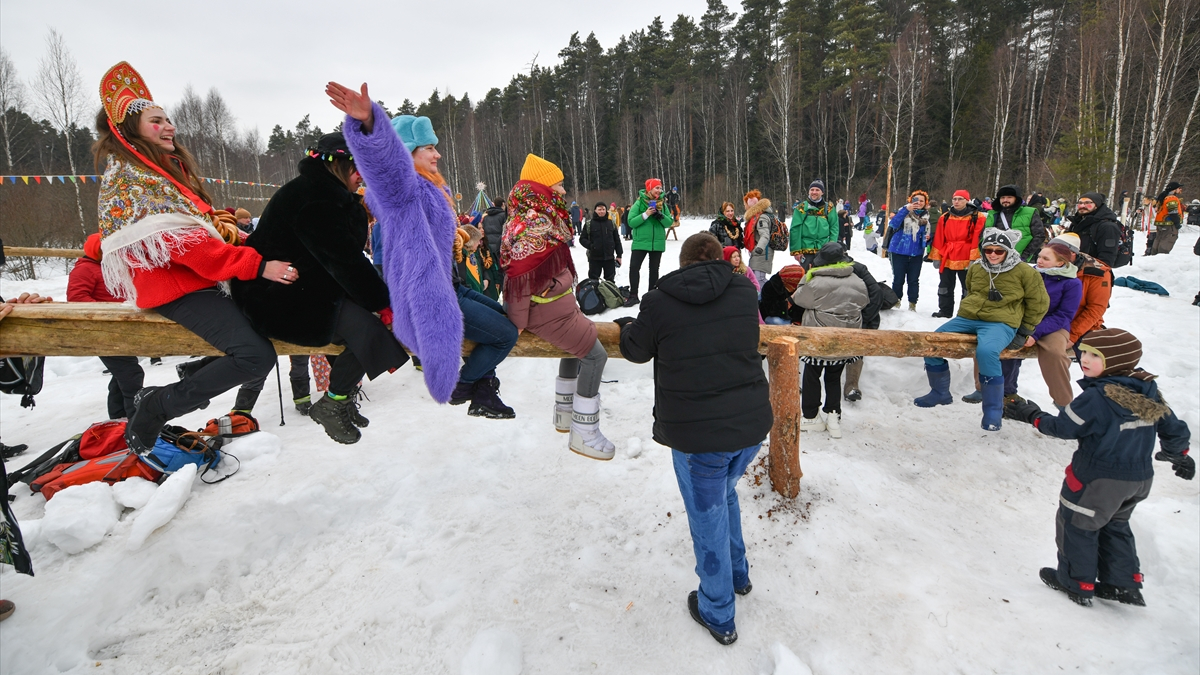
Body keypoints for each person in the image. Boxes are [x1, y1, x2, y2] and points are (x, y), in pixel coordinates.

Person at [92, 62, 286, 454]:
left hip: (196, 281)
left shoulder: (156, 173)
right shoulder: (133, 179)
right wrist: (255, 265)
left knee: (266, 325)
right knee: (255, 356)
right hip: (177, 287)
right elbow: (188, 244)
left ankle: (196, 372)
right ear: (130, 130)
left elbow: (196, 233)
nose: (170, 127)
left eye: (168, 120)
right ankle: (157, 404)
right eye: (157, 120)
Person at [617, 232, 773, 646]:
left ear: (683, 263)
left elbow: (636, 349)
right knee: (725, 496)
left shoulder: (658, 301)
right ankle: (738, 575)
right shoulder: (743, 289)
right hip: (750, 426)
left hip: (699, 434)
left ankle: (717, 611)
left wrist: (628, 326)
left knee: (707, 518)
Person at [329, 81, 518, 420]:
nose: (437, 154)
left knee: (501, 317)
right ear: (408, 154)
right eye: (429, 148)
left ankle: (483, 392)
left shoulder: (430, 189)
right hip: (433, 295)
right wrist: (371, 125)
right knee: (505, 335)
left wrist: (456, 234)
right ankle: (467, 385)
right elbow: (385, 166)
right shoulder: (403, 189)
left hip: (453, 284)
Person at [232, 133, 409, 444]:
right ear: (339, 165)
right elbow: (344, 260)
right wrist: (381, 302)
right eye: (359, 169)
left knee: (366, 328)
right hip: (275, 297)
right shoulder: (314, 197)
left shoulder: (327, 194)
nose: (363, 177)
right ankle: (334, 402)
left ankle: (341, 397)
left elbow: (338, 261)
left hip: (303, 289)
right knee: (371, 330)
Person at [1004, 328, 1193, 607]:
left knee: (1077, 526)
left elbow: (1063, 427)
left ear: (1115, 362)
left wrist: (1030, 414)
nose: (1085, 359)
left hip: (1097, 481)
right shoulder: (1148, 391)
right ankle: (1123, 584)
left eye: (1096, 355)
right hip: (1138, 481)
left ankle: (1076, 582)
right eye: (1084, 353)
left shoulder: (1097, 397)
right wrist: (1179, 455)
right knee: (1116, 525)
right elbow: (1174, 428)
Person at [492, 154, 614, 457]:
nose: (561, 191)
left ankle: (564, 414)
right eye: (557, 184)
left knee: (575, 350)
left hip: (558, 306)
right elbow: (518, 280)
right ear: (541, 187)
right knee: (595, 356)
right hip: (545, 314)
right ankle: (584, 431)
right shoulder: (530, 223)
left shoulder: (539, 216)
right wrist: (517, 323)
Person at [914, 228, 1049, 431]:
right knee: (933, 341)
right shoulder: (977, 267)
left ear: (1008, 251)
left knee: (986, 352)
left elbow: (1038, 303)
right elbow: (969, 290)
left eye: (999, 251)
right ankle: (940, 393)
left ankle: (993, 409)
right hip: (969, 318)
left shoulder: (1025, 272)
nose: (993, 254)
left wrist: (1024, 331)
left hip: (1001, 321)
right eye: (988, 250)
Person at [792, 243, 868, 438]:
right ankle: (833, 417)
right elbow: (864, 301)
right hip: (845, 338)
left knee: (811, 376)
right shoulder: (857, 280)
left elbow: (798, 299)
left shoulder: (815, 282)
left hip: (819, 337)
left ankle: (811, 417)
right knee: (834, 377)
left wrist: (805, 279)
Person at [66, 233, 146, 420]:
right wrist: (108, 314)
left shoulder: (107, 267)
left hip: (117, 330)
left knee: (123, 375)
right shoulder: (85, 269)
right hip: (102, 332)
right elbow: (77, 300)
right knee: (131, 374)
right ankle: (136, 420)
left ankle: (119, 418)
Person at [1000, 242, 1083, 411]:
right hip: (1024, 319)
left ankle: (1063, 402)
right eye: (1039, 256)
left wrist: (1035, 333)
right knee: (1006, 344)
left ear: (1060, 263)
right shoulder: (1031, 274)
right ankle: (1006, 393)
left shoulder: (1072, 283)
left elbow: (1064, 315)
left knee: (1054, 353)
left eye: (1046, 258)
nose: (1040, 260)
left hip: (1053, 324)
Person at [929, 190, 985, 318]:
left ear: (967, 200)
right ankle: (945, 311)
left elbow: (977, 238)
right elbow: (939, 237)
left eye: (960, 199)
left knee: (968, 287)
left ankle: (965, 313)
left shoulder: (977, 217)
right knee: (944, 286)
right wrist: (936, 257)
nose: (957, 201)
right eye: (954, 199)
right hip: (947, 255)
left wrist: (973, 258)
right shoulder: (945, 217)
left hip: (966, 255)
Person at [841, 253, 885, 402]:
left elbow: (876, 293)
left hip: (858, 317)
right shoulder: (820, 270)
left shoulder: (858, 269)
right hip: (832, 318)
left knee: (856, 346)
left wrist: (863, 318)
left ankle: (852, 386)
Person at [624, 178, 675, 306]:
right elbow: (631, 222)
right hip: (641, 242)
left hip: (657, 243)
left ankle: (651, 295)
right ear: (649, 189)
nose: (659, 190)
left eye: (660, 188)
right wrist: (645, 214)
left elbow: (669, 222)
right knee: (634, 268)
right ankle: (633, 295)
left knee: (654, 270)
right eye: (656, 188)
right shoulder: (639, 203)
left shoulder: (662, 204)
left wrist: (660, 216)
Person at [884, 190, 931, 311]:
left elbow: (926, 234)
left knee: (914, 280)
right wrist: (906, 209)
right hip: (899, 250)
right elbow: (893, 224)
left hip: (917, 253)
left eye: (922, 201)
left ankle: (912, 303)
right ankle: (896, 301)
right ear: (910, 201)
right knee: (898, 278)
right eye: (916, 200)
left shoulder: (926, 217)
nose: (919, 203)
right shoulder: (903, 212)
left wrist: (927, 238)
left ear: (926, 203)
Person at [985, 185, 1047, 262]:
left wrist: (1024, 256)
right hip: (996, 258)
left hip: (1021, 260)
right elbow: (983, 237)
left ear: (1016, 198)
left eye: (1009, 197)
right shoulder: (992, 214)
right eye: (1002, 197)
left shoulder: (1030, 212)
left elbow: (1039, 236)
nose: (1005, 200)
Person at [789, 179, 839, 269]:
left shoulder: (829, 208)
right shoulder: (801, 208)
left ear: (822, 192)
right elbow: (795, 229)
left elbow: (834, 227)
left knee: (824, 276)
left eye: (817, 190)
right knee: (807, 277)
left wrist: (832, 246)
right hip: (806, 250)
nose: (814, 192)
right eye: (812, 190)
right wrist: (796, 251)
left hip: (824, 248)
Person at [1066, 193, 1122, 267]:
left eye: (1087, 203)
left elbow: (1107, 257)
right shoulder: (1077, 222)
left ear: (1096, 205)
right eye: (1080, 203)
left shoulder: (1108, 227)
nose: (1082, 206)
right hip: (1074, 269)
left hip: (1093, 273)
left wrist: (1097, 273)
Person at [743, 190, 780, 286]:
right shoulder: (755, 217)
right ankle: (759, 299)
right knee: (755, 279)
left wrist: (759, 248)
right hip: (758, 252)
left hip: (763, 252)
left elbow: (765, 235)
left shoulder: (761, 218)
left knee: (759, 279)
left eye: (745, 204)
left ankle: (771, 296)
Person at [579, 202, 622, 282]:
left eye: (603, 209)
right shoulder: (589, 224)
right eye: (599, 209)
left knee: (610, 281)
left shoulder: (611, 223)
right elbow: (582, 239)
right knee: (593, 281)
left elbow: (617, 240)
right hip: (594, 258)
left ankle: (608, 294)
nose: (601, 211)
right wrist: (591, 246)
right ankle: (594, 294)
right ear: (595, 210)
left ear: (606, 211)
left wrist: (619, 255)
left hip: (609, 258)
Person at [723, 247, 763, 324]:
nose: (737, 259)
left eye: (738, 256)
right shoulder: (724, 273)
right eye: (734, 257)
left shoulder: (746, 270)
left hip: (747, 300)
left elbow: (756, 286)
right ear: (727, 258)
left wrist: (747, 293)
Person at [1148, 181, 1184, 255]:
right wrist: (1177, 223)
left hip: (1160, 223)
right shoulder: (1171, 198)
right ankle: (1161, 257)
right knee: (1167, 240)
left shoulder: (1162, 197)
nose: (1180, 190)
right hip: (1169, 224)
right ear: (1174, 189)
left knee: (1158, 239)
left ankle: (1154, 257)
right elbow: (1173, 212)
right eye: (1179, 188)